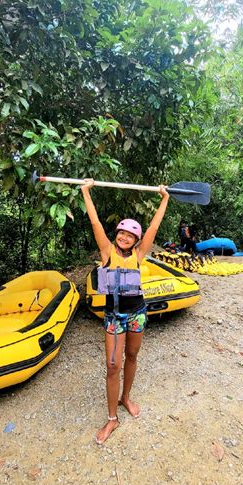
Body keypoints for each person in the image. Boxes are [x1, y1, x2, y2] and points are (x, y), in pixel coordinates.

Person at [81, 179, 170, 445]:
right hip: (114, 316)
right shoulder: (107, 251)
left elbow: (154, 227)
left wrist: (164, 198)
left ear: (136, 241)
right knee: (112, 366)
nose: (124, 238)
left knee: (132, 356)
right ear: (116, 235)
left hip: (137, 313)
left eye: (130, 236)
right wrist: (86, 192)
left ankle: (125, 397)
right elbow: (95, 222)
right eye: (121, 233)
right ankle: (112, 419)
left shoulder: (139, 255)